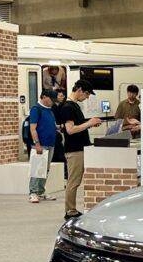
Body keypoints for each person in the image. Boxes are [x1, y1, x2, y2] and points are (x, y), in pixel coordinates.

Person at [56, 80, 103, 220]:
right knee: (73, 182)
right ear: (80, 90)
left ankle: (71, 210)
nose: (87, 97)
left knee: (75, 181)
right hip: (75, 150)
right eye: (87, 94)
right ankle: (70, 211)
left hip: (80, 148)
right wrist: (89, 123)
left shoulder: (74, 106)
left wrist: (89, 124)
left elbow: (76, 126)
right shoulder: (68, 107)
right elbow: (70, 130)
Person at [25, 89, 58, 204]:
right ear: (44, 97)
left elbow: (51, 125)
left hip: (50, 144)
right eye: (51, 99)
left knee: (45, 170)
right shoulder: (36, 109)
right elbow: (33, 128)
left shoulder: (50, 110)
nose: (52, 102)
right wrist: (37, 144)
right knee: (37, 169)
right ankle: (33, 192)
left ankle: (40, 191)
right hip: (40, 145)